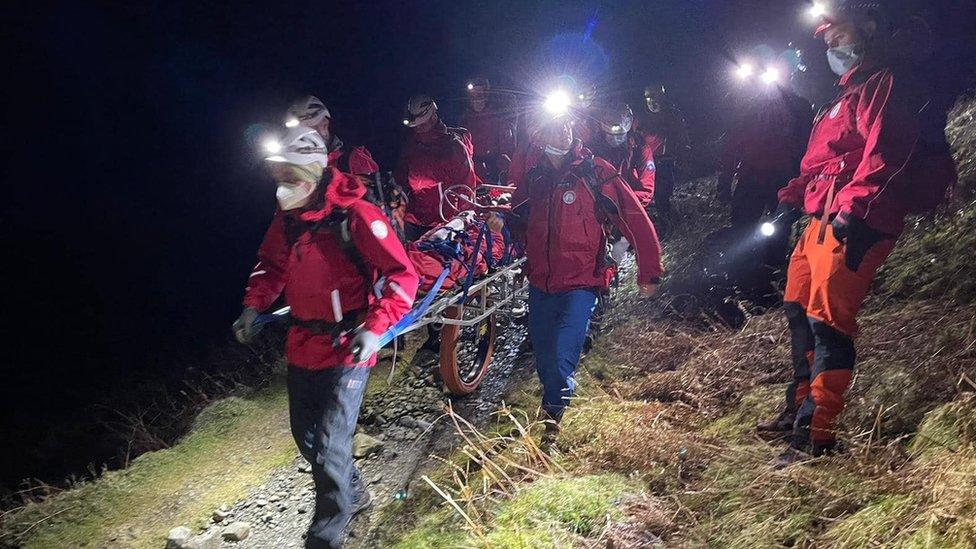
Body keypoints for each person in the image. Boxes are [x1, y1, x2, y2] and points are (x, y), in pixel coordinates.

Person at [758, 0, 958, 466]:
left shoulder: (887, 83)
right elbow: (821, 164)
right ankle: (798, 410)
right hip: (821, 220)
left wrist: (856, 211)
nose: (833, 47)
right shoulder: (844, 95)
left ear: (868, 29)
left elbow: (885, 154)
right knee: (798, 312)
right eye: (828, 41)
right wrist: (792, 196)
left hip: (856, 219)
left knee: (829, 324)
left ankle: (816, 435)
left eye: (839, 37)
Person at [233, 126, 419, 548]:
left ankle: (326, 534)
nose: (283, 187)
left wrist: (375, 329)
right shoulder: (288, 220)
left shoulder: (357, 216)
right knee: (307, 436)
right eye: (279, 177)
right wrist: (253, 305)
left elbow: (402, 275)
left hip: (349, 344)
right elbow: (270, 266)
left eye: (291, 176)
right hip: (303, 344)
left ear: (315, 172)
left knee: (333, 441)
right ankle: (354, 492)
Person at [502, 113, 664, 435]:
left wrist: (649, 271)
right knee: (544, 357)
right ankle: (554, 400)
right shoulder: (534, 177)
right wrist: (502, 222)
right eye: (554, 125)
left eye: (566, 125)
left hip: (581, 283)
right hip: (541, 283)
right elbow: (519, 219)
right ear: (541, 134)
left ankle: (553, 416)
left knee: (563, 354)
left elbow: (634, 217)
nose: (562, 131)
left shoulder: (596, 173)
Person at [718, 85, 812, 265]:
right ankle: (744, 266)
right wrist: (725, 179)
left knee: (778, 226)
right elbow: (732, 144)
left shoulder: (799, 107)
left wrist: (803, 180)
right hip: (755, 176)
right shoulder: (748, 108)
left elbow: (807, 144)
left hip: (782, 178)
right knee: (743, 226)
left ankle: (770, 267)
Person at [395, 94, 479, 241]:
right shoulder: (411, 147)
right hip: (416, 218)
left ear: (433, 117)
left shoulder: (452, 146)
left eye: (423, 124)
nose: (419, 128)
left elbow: (467, 184)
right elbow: (401, 179)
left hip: (444, 218)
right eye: (416, 125)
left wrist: (461, 219)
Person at [286, 95, 379, 176]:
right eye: (299, 132)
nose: (304, 136)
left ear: (325, 124)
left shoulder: (353, 159)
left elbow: (369, 193)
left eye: (310, 129)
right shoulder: (293, 161)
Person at [641, 83, 690, 213]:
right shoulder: (642, 118)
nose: (651, 101)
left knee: (664, 192)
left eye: (654, 96)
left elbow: (682, 137)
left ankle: (665, 219)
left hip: (665, 161)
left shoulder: (673, 115)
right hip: (646, 162)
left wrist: (682, 155)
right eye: (648, 97)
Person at [459, 77, 517, 185]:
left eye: (479, 95)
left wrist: (506, 169)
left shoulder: (497, 116)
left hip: (495, 167)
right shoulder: (466, 119)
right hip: (475, 169)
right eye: (473, 95)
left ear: (486, 95)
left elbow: (507, 144)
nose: (476, 99)